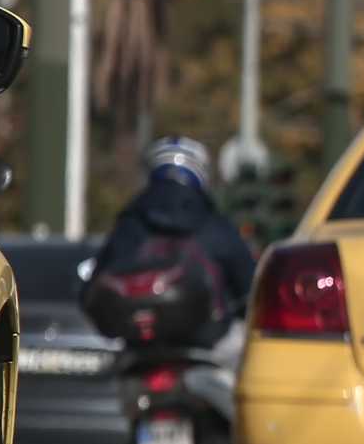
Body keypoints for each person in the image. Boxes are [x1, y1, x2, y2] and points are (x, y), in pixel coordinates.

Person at [91, 135, 260, 343]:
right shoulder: (216, 225)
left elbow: (94, 288)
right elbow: (249, 288)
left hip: (138, 341)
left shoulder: (130, 223)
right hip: (209, 340)